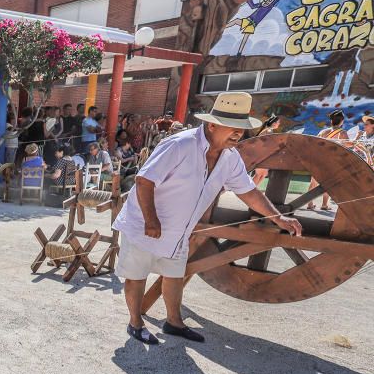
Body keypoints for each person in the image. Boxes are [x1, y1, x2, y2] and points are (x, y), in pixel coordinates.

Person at [112, 92, 302, 345]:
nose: (238, 135)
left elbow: (248, 192)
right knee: (137, 275)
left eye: (242, 130)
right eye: (233, 129)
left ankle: (174, 323)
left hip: (180, 230)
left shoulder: (230, 157)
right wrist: (151, 220)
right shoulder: (180, 145)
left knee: (174, 276)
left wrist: (279, 218)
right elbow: (144, 180)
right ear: (212, 125)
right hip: (145, 225)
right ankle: (135, 323)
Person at [308, 109, 349, 210]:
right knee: (328, 184)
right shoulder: (342, 133)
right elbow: (348, 146)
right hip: (331, 162)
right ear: (342, 121)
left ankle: (309, 203)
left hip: (319, 161)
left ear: (331, 121)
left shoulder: (323, 132)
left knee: (313, 183)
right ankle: (324, 204)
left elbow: (315, 145)